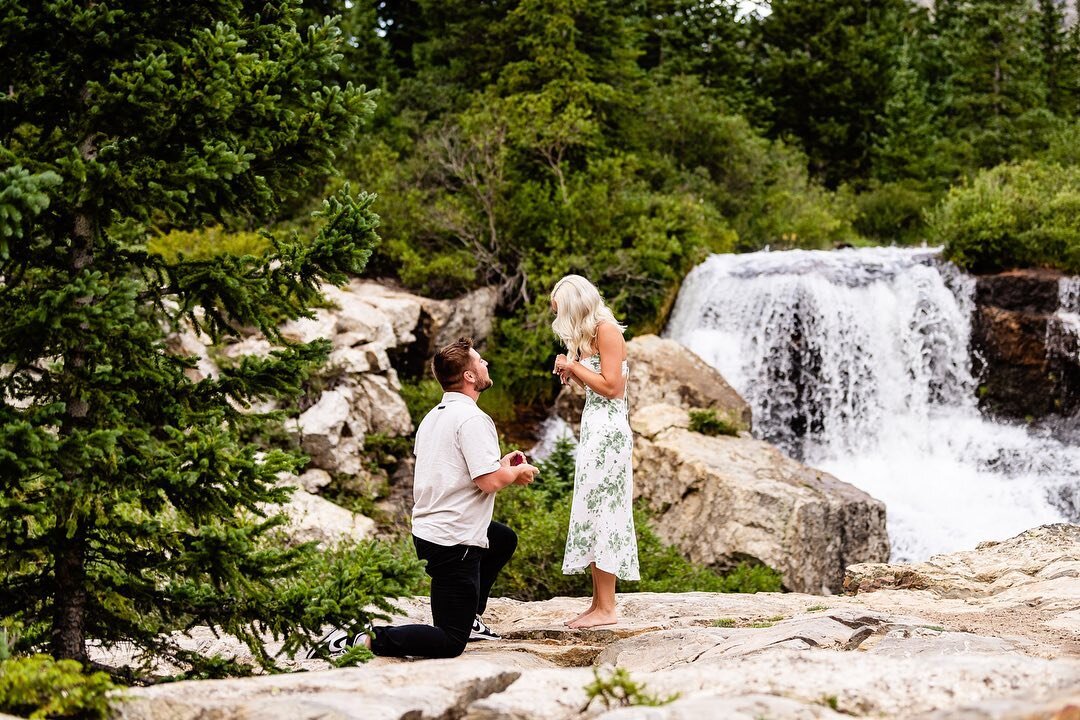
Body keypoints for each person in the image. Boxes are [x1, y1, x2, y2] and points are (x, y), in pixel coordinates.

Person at [309, 337, 538, 659]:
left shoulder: (436, 416)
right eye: (480, 361)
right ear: (470, 376)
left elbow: (460, 471)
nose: (486, 364)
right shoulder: (473, 419)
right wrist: (516, 473)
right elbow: (487, 483)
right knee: (449, 641)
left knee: (501, 538)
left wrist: (500, 465)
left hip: (431, 530)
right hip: (454, 542)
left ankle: (471, 616)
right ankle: (359, 638)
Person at [550, 275, 640, 629]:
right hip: (595, 429)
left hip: (610, 433)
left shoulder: (607, 330)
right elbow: (597, 386)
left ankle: (608, 608)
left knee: (605, 511)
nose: (559, 318)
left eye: (561, 311)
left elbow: (614, 389)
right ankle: (598, 602)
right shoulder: (589, 335)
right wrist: (573, 371)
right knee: (592, 508)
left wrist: (574, 366)